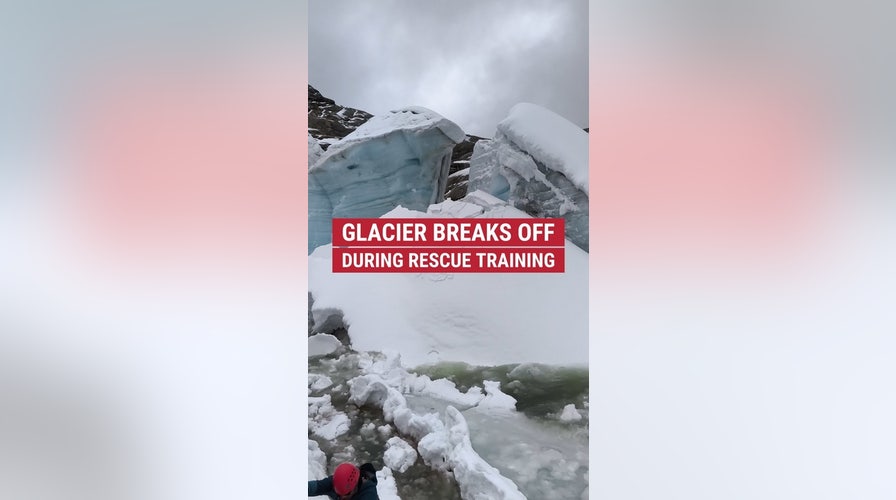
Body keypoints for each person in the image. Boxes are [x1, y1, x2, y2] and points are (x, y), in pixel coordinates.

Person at [308, 462, 379, 499]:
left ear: (356, 486)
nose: (342, 497)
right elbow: (312, 487)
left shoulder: (369, 495)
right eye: (339, 494)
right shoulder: (336, 482)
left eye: (347, 494)